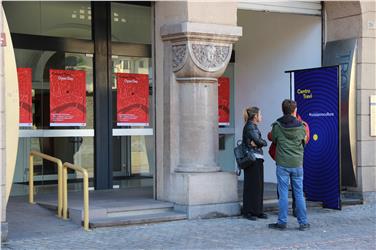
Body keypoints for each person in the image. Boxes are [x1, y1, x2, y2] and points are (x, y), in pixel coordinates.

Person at [268, 99, 310, 231]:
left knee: (283, 194)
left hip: (282, 164)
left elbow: (272, 138)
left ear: (283, 110)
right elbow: (305, 140)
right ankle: (303, 223)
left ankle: (282, 222)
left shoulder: (277, 126)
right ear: (294, 110)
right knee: (299, 194)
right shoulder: (302, 126)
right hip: (297, 164)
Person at [242, 106, 268, 221]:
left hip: (256, 158)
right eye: (260, 115)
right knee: (252, 185)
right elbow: (259, 141)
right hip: (252, 158)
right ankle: (249, 211)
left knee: (257, 185)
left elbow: (257, 142)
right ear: (255, 116)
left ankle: (257, 210)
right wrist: (262, 143)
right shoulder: (250, 127)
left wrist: (258, 143)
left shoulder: (253, 126)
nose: (261, 117)